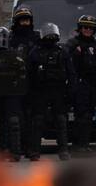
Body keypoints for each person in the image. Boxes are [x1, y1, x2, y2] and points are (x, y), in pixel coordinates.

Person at [28, 23, 76, 161]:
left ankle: (64, 150)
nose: (50, 37)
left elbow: (71, 73)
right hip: (40, 91)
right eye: (47, 35)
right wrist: (31, 92)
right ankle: (34, 150)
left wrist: (70, 91)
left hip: (58, 90)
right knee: (38, 121)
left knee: (61, 120)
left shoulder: (62, 52)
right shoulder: (35, 52)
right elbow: (29, 73)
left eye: (52, 35)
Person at [0, 26, 28, 162]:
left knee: (13, 121)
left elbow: (23, 73)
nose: (0, 40)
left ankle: (15, 152)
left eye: (2, 38)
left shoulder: (15, 56)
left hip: (12, 92)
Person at [67, 14, 96, 153]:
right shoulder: (72, 43)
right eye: (85, 27)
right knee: (80, 115)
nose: (88, 30)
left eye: (90, 28)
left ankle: (85, 144)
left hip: (92, 83)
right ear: (80, 28)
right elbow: (65, 60)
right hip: (79, 83)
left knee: (89, 115)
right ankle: (77, 146)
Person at [8, 6, 41, 158]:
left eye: (27, 20)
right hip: (14, 82)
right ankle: (16, 149)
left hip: (33, 82)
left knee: (32, 118)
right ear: (17, 21)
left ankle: (31, 148)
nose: (24, 23)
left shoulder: (36, 37)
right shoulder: (10, 38)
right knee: (16, 118)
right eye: (22, 20)